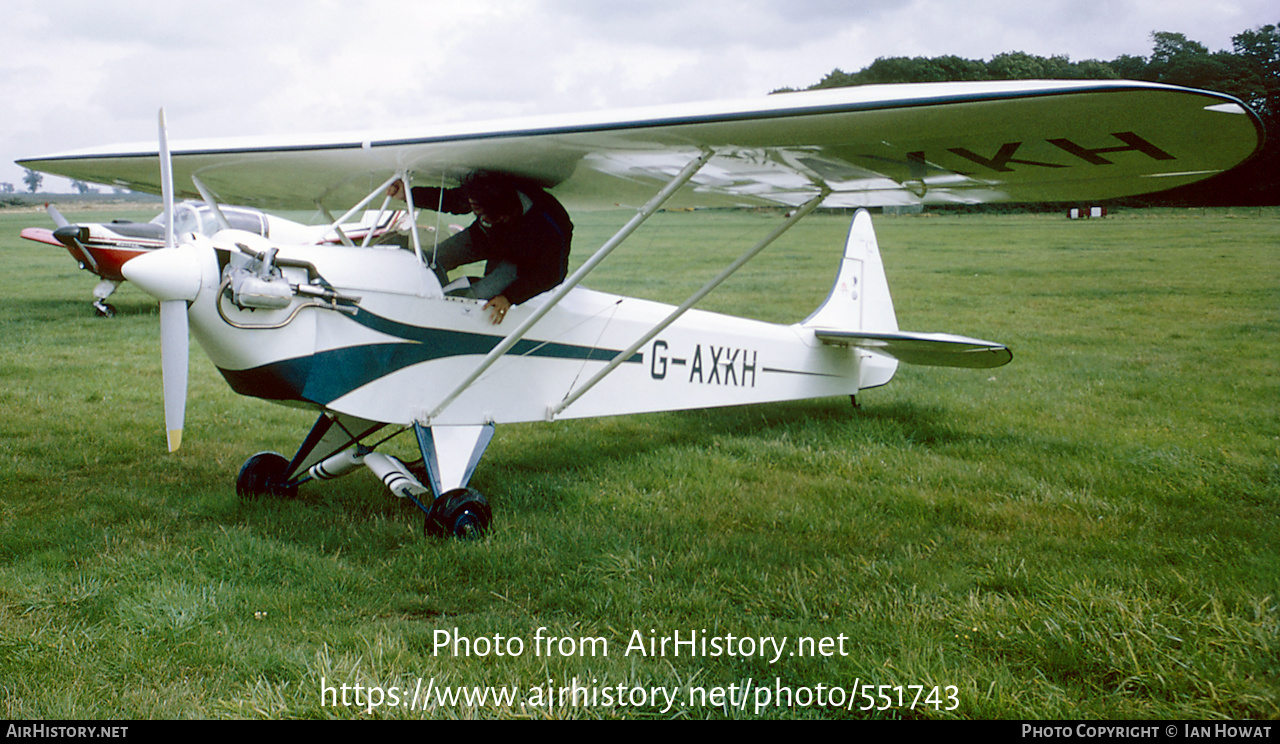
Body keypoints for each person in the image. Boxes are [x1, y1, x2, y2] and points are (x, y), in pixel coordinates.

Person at [387, 171, 573, 325]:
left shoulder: (550, 225)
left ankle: (452, 308)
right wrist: (407, 195)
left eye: (483, 215)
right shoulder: (486, 192)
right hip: (483, 238)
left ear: (503, 217)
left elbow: (554, 274)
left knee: (473, 298)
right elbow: (451, 200)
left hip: (520, 261)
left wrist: (510, 297)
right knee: (431, 259)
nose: (478, 215)